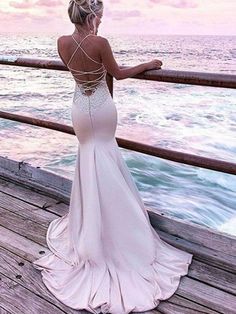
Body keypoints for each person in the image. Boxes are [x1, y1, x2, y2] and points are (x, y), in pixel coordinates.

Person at [33, 0, 193, 313]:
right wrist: (148, 65)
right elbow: (116, 74)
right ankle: (119, 234)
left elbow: (85, 75)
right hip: (103, 109)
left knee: (90, 162)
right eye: (101, 17)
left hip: (80, 108)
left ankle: (91, 229)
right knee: (106, 160)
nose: (102, 22)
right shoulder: (100, 42)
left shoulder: (62, 42)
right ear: (92, 16)